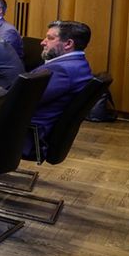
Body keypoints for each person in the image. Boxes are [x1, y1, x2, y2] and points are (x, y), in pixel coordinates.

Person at [28, 20, 94, 157]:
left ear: (68, 44)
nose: (43, 42)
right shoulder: (80, 64)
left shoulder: (61, 70)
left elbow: (23, 101)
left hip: (25, 133)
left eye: (50, 38)